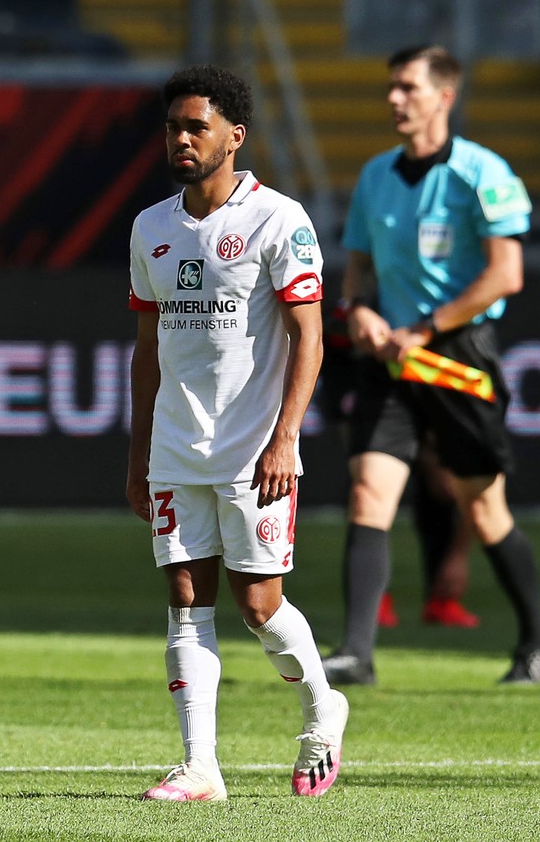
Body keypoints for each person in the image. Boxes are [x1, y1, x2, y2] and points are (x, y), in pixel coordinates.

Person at [126, 65, 348, 801]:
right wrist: (138, 452)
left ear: (235, 136)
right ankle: (200, 766)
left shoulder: (278, 219)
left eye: (197, 126)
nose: (182, 139)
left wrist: (287, 436)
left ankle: (322, 702)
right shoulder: (151, 227)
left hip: (255, 449)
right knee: (186, 596)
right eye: (172, 127)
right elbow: (147, 346)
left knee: (258, 606)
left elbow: (309, 337)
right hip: (175, 448)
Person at [322, 45, 540, 686]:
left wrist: (426, 329)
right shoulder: (375, 175)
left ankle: (537, 639)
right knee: (369, 493)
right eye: (390, 88)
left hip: (456, 359)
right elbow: (359, 270)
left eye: (407, 88)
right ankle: (357, 654)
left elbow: (504, 274)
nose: (394, 99)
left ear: (444, 97)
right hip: (389, 359)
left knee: (484, 510)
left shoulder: (484, 172)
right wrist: (357, 311)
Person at [319, 331, 479, 629]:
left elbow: (475, 487)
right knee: (368, 487)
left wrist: (458, 557)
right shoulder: (346, 336)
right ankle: (375, 597)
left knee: (442, 493)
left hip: (421, 365)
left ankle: (442, 598)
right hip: (364, 369)